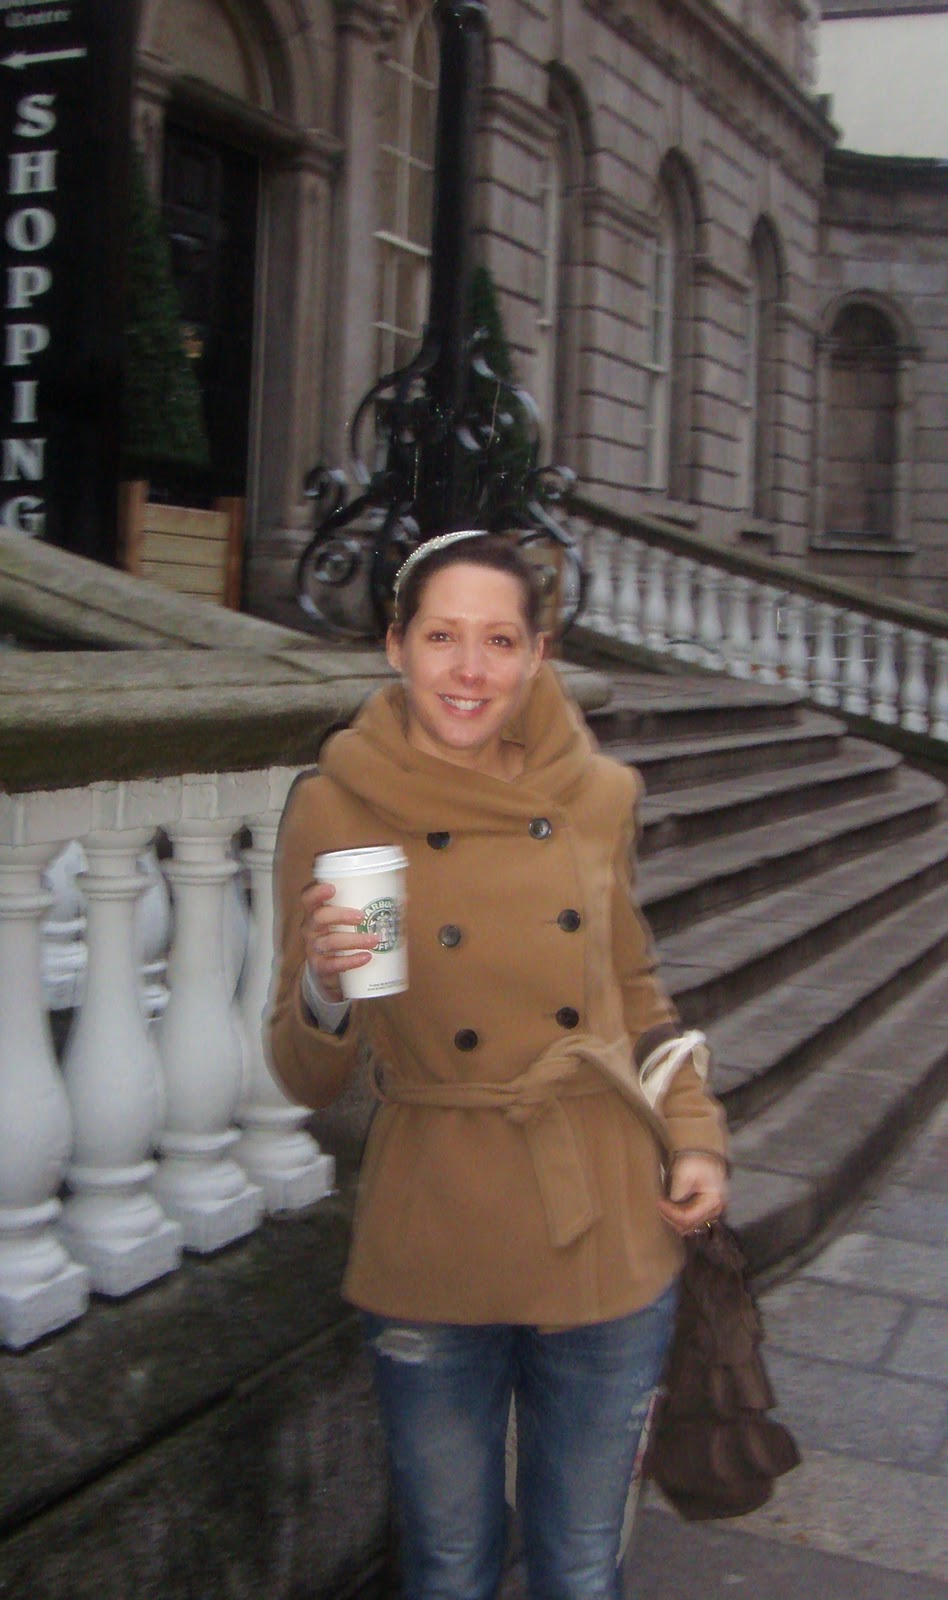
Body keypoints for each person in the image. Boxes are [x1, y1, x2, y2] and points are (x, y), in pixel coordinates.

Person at [267, 529, 728, 1600]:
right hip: (437, 1228)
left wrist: (696, 1135)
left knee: (580, 1566)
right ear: (396, 644)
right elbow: (308, 1076)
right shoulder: (335, 808)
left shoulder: (599, 794)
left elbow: (637, 991)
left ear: (537, 653)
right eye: (442, 637)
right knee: (448, 1566)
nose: (469, 670)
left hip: (604, 1222)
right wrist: (327, 986)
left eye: (499, 640)